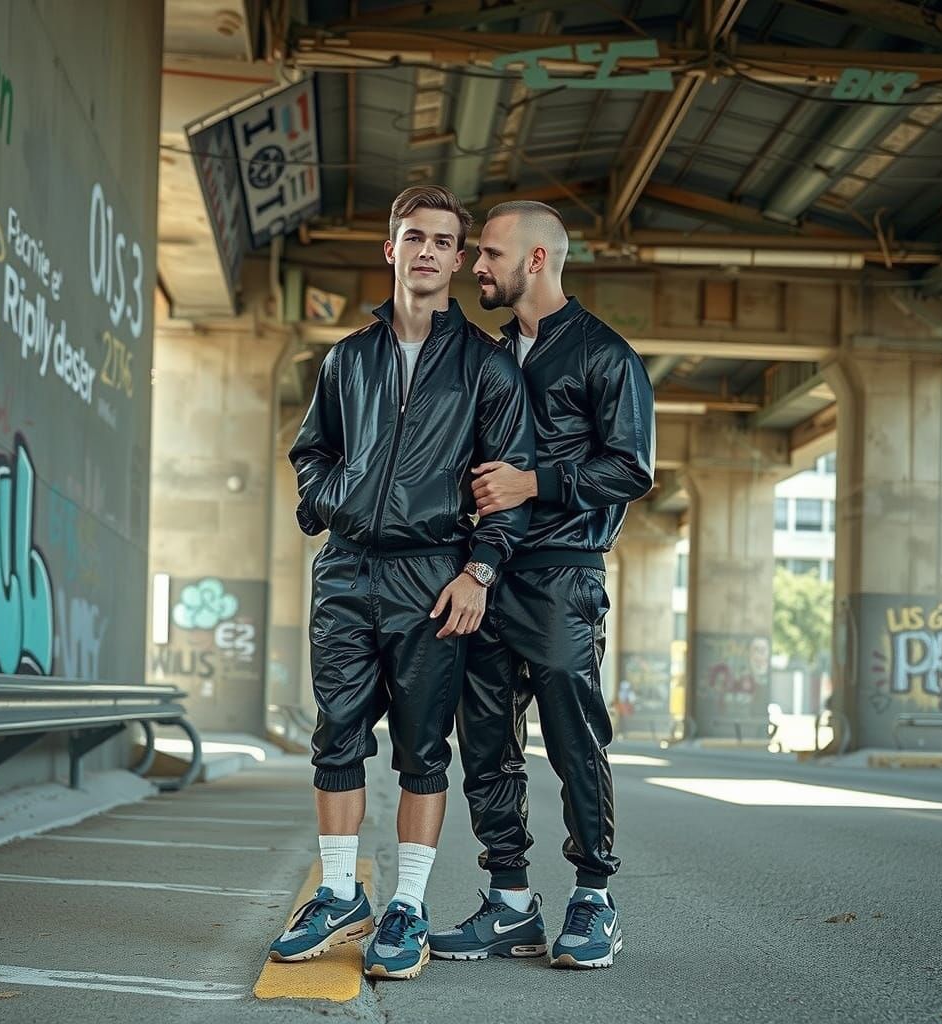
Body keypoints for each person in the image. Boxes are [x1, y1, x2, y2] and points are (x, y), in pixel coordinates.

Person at [272, 187, 535, 980]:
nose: (426, 251)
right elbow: (310, 453)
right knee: (337, 736)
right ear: (390, 250)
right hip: (348, 570)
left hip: (433, 577)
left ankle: (408, 906)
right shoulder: (347, 358)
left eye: (443, 241)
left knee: (424, 750)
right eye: (412, 237)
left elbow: (502, 486)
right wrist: (333, 501)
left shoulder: (486, 367)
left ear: (459, 260)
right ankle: (342, 893)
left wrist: (480, 571)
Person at [430, 201, 655, 970]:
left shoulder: (605, 356)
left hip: (563, 576)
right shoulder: (484, 357)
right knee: (486, 741)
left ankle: (594, 896)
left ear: (535, 260)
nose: (475, 266)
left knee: (573, 735)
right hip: (482, 576)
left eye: (488, 254)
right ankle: (510, 902)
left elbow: (631, 468)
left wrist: (536, 481)